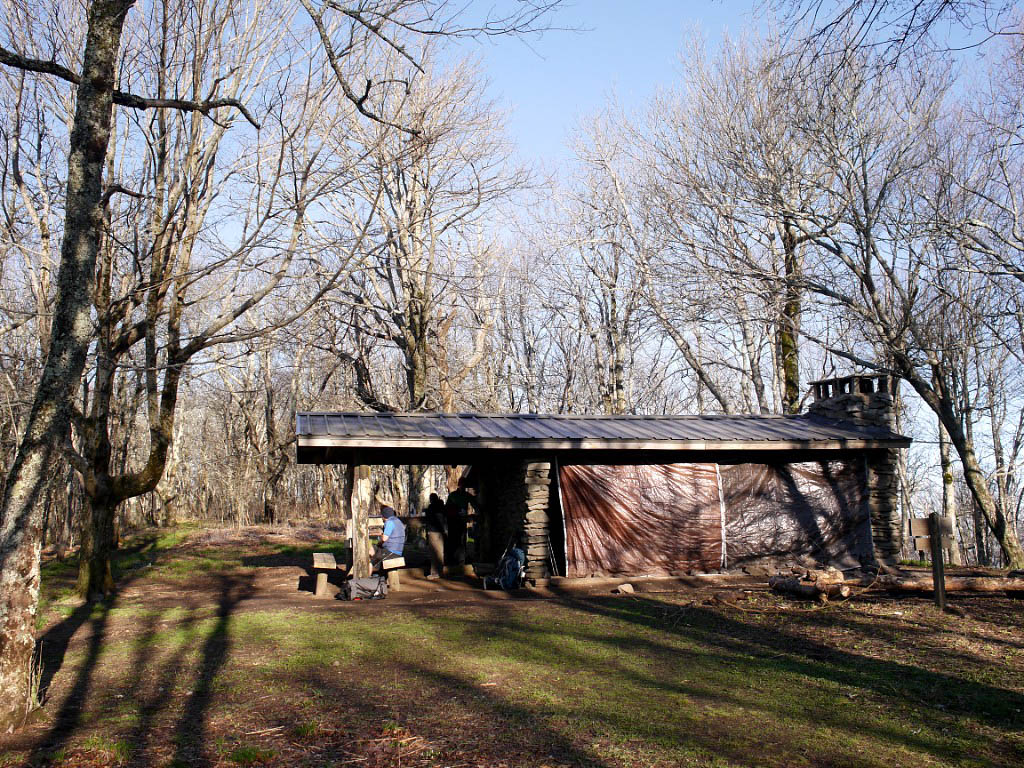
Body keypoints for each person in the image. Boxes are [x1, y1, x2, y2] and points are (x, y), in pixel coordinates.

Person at [445, 478, 475, 566]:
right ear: (459, 485)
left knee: (461, 542)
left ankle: (460, 562)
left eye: (465, 485)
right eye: (462, 485)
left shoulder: (466, 495)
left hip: (460, 522)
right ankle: (453, 561)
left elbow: (475, 505)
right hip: (453, 522)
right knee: (454, 541)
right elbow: (446, 508)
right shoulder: (453, 495)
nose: (464, 487)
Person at [370, 496, 405, 572]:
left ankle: (364, 580)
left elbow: (384, 539)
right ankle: (380, 569)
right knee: (377, 550)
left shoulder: (389, 522)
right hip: (399, 551)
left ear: (383, 516)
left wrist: (380, 537)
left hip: (391, 552)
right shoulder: (398, 521)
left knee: (370, 553)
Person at [423, 492, 446, 579]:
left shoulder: (431, 507)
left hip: (433, 531)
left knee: (433, 553)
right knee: (440, 552)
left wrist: (427, 531)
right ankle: (440, 571)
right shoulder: (442, 507)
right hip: (441, 531)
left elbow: (429, 520)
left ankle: (434, 572)